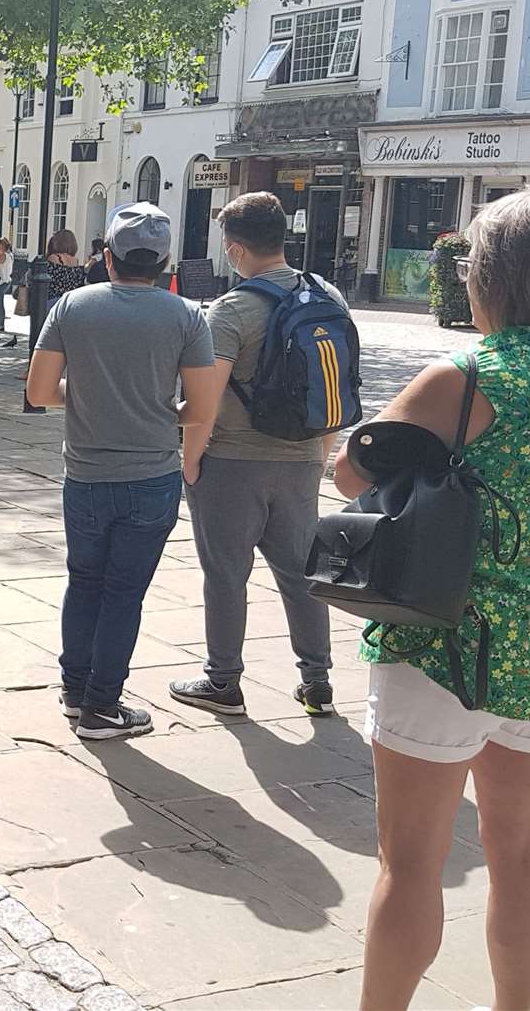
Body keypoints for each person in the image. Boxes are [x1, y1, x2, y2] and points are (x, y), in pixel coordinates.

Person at [334, 190, 530, 1011]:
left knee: (412, 859)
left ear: (487, 280)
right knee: (524, 846)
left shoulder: (466, 380)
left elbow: (351, 474)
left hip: (444, 644)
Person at [25, 203, 216, 741]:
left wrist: (87, 400)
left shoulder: (71, 307)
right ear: (165, 260)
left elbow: (39, 392)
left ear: (107, 257)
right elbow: (202, 409)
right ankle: (103, 708)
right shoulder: (185, 317)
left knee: (84, 581)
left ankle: (74, 690)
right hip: (151, 473)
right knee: (123, 592)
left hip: (84, 473)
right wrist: (156, 413)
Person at [168, 192, 346, 719]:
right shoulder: (327, 297)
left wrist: (190, 460)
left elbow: (206, 398)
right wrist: (320, 453)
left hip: (233, 462)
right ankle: (317, 681)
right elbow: (336, 389)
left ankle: (224, 682)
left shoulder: (231, 311)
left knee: (226, 573)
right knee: (300, 576)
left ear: (236, 248)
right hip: (303, 459)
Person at [20, 230, 87, 381]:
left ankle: (34, 370)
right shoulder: (75, 261)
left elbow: (41, 277)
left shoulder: (53, 258)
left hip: (51, 301)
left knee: (42, 337)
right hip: (70, 303)